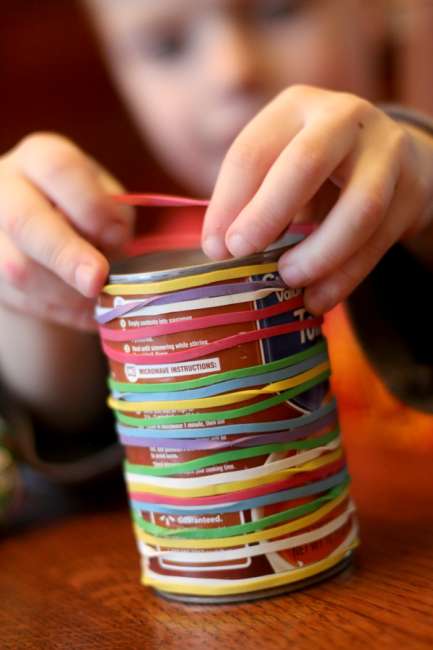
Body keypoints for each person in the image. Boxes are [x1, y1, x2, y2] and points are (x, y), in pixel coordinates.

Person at [0, 0, 432, 513]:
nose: (233, 70)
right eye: (167, 46)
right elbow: (91, 462)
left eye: (279, 10)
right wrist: (36, 321)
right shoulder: (151, 279)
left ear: (388, 9)